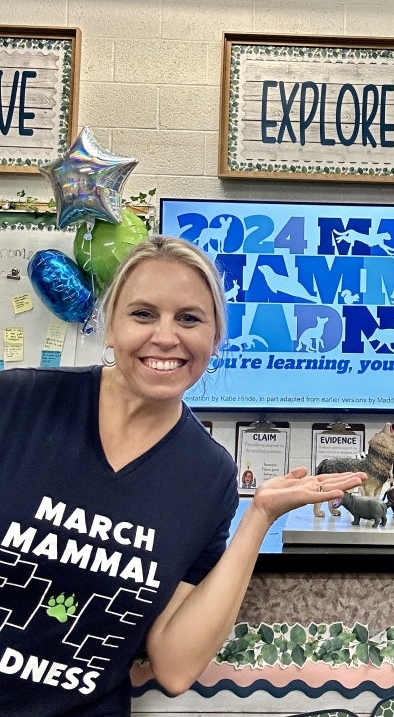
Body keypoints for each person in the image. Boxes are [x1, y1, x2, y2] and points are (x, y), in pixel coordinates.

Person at [0, 235, 366, 716]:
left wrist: (258, 517)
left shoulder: (208, 476)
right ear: (109, 326)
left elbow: (174, 667)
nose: (166, 337)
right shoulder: (16, 404)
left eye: (189, 318)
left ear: (215, 339)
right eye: (143, 314)